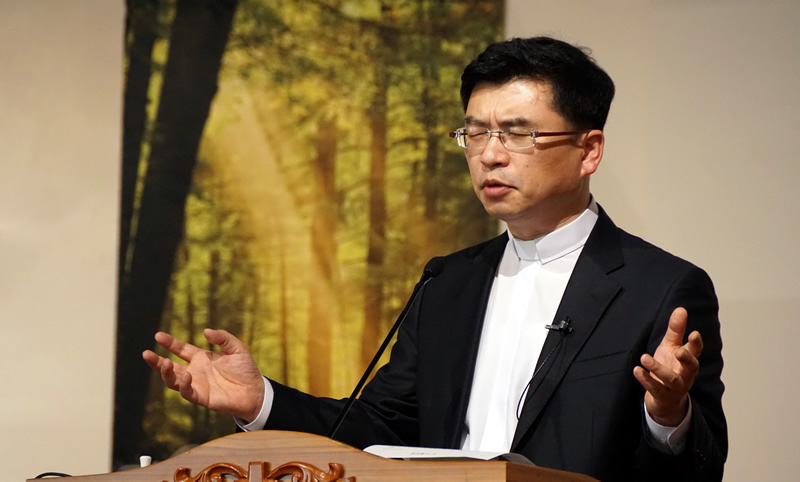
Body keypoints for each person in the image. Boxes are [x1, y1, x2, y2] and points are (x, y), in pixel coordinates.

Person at [143, 36, 727, 481]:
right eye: (475, 134)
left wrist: (668, 414)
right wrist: (261, 401)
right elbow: (378, 431)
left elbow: (701, 468)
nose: (490, 156)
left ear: (588, 150)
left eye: (517, 134)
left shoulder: (660, 288)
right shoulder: (449, 282)